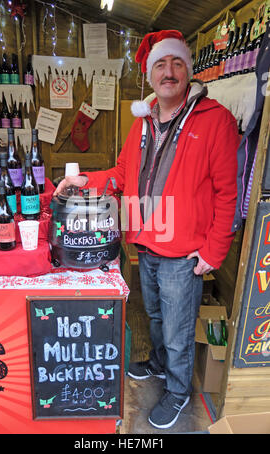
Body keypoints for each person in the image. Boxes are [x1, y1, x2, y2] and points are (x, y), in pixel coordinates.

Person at [54, 30, 240, 429]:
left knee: (177, 329)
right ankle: (158, 365)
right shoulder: (142, 122)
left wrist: (214, 251)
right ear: (150, 74)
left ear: (188, 71)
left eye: (176, 63)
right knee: (155, 316)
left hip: (185, 250)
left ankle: (177, 391)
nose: (168, 71)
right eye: (160, 64)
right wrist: (83, 181)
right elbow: (122, 175)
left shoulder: (216, 120)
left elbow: (229, 193)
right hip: (147, 242)